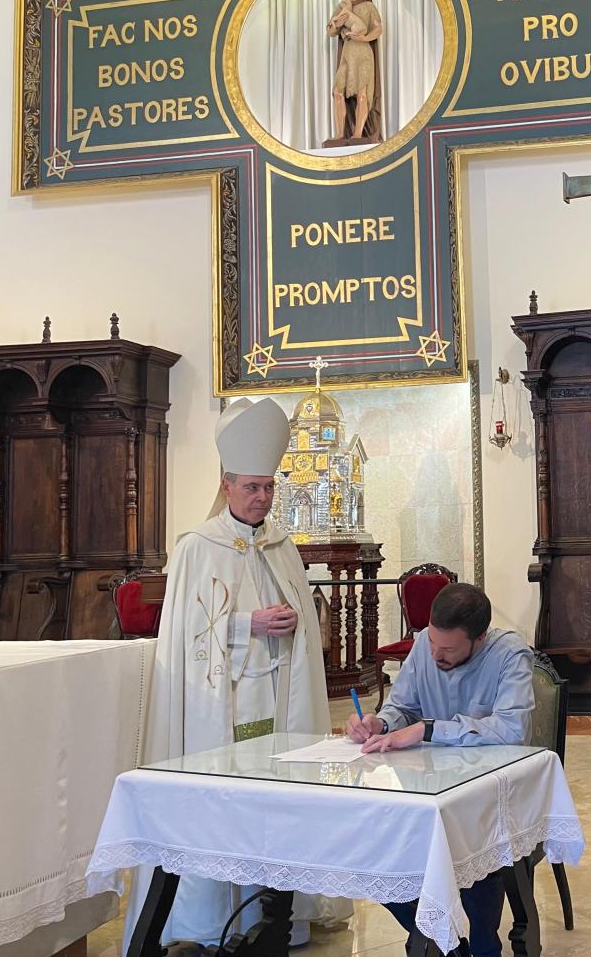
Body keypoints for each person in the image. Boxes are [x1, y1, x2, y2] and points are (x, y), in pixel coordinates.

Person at [137, 398, 350, 952]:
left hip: (276, 697)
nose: (262, 498)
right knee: (224, 802)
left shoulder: (283, 547)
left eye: (269, 487)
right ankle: (209, 920)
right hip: (223, 704)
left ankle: (280, 917)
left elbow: (302, 617)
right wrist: (246, 624)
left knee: (276, 800)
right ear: (227, 485)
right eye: (252, 487)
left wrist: (294, 621)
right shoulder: (195, 548)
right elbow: (186, 636)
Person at [346, 582, 533, 957]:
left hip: (486, 790)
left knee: (476, 847)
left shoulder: (511, 654)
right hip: (428, 784)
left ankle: (481, 946)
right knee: (374, 849)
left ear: (479, 638)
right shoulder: (422, 646)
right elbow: (403, 707)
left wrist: (430, 729)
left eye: (448, 649)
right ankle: (445, 941)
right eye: (432, 641)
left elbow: (513, 729)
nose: (435, 654)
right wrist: (380, 723)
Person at [326, 0, 383, 145]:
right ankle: (339, 133)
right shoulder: (341, 6)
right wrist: (337, 25)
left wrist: (365, 37)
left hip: (363, 51)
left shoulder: (368, 5)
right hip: (347, 51)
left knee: (362, 94)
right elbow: (331, 31)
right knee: (337, 92)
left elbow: (378, 28)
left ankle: (358, 133)